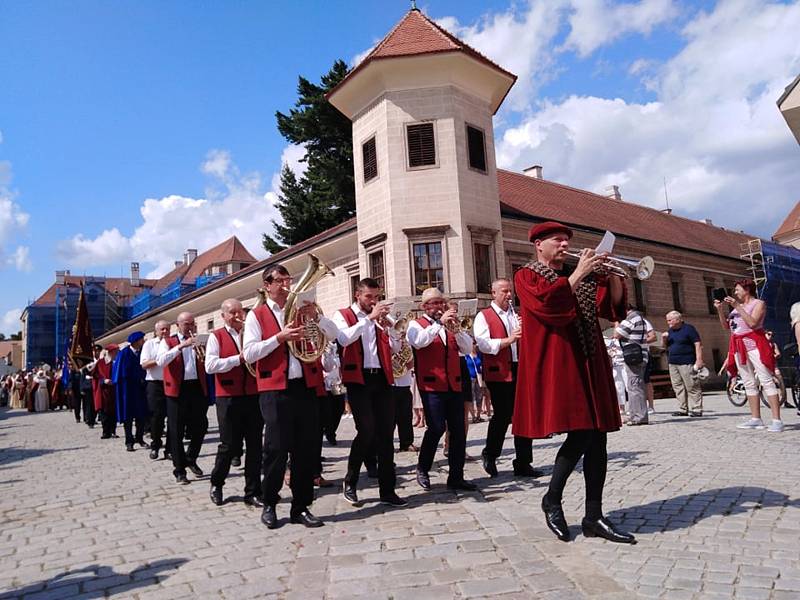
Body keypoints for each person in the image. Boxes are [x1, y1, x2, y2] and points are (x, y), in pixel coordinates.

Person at [514, 221, 635, 544]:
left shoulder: (575, 274)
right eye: (558, 240)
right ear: (539, 244)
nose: (565, 245)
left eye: (567, 240)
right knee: (581, 431)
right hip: (560, 361)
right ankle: (552, 498)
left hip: (590, 358)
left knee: (599, 436)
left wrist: (613, 276)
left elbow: (610, 309)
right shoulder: (526, 275)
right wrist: (580, 272)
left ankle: (594, 515)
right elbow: (549, 306)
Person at [242, 263, 326, 529]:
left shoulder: (301, 310)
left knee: (306, 450)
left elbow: (323, 339)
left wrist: (315, 320)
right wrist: (279, 337)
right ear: (267, 285)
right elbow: (250, 353)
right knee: (276, 451)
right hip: (275, 390)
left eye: (288, 279)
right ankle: (269, 503)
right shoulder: (257, 315)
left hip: (305, 386)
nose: (287, 284)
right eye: (281, 280)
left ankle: (300, 507)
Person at [328, 278, 406, 508]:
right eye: (369, 297)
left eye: (377, 297)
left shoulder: (380, 319)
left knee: (385, 432)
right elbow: (343, 338)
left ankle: (387, 490)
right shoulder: (343, 315)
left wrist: (392, 330)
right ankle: (350, 481)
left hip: (381, 377)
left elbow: (396, 349)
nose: (374, 301)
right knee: (366, 430)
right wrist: (368, 319)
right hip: (358, 379)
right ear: (357, 295)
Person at [407, 287, 477, 493]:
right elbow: (419, 342)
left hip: (453, 384)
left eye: (440, 302)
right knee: (436, 428)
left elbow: (466, 348)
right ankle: (422, 468)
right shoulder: (415, 325)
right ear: (424, 307)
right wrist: (438, 323)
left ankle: (457, 476)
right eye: (433, 303)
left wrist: (457, 329)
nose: (438, 306)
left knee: (457, 432)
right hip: (431, 385)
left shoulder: (450, 326)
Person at [473, 277, 538, 478]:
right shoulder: (483, 316)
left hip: (520, 368)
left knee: (524, 415)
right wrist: (509, 340)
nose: (509, 295)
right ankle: (490, 454)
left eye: (510, 291)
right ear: (493, 293)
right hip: (499, 371)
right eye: (504, 291)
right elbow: (483, 343)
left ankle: (523, 462)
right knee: (502, 415)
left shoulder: (515, 315)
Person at [204, 299, 264, 507]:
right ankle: (217, 483)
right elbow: (210, 366)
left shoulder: (252, 333)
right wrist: (237, 359)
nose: (238, 315)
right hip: (228, 397)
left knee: (256, 445)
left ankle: (253, 491)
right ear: (223, 316)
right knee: (228, 445)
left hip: (253, 395)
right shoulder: (216, 336)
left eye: (240, 311)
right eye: (232, 312)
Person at [715, 280, 782, 432]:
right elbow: (727, 326)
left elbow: (753, 323)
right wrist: (720, 310)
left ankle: (777, 420)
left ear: (747, 290)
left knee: (766, 380)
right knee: (748, 383)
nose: (735, 292)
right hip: (739, 347)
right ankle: (755, 418)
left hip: (754, 344)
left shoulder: (758, 304)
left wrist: (737, 307)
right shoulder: (735, 310)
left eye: (737, 289)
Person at [156, 312, 209, 484]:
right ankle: (179, 469)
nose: (190, 327)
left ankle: (191, 458)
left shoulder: (197, 339)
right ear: (178, 325)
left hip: (196, 387)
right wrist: (181, 346)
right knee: (176, 429)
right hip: (177, 390)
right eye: (187, 324)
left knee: (201, 426)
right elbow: (161, 361)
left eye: (192, 323)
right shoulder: (168, 341)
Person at [614, 306, 656, 426]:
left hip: (634, 357)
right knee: (635, 385)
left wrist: (618, 322)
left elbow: (617, 334)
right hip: (640, 356)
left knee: (634, 386)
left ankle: (639, 417)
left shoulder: (631, 318)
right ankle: (635, 415)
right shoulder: (639, 318)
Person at [662, 311, 704, 417]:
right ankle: (683, 408)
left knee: (691, 385)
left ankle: (696, 409)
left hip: (687, 361)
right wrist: (664, 339)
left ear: (678, 319)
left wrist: (699, 359)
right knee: (678, 387)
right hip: (673, 362)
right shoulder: (670, 331)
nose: (668, 322)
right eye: (667, 320)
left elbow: (698, 344)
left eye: (670, 320)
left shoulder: (689, 329)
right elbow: (664, 347)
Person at [113, 332, 149, 451]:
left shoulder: (143, 352)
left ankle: (139, 438)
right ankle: (129, 440)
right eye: (141, 340)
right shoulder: (124, 354)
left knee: (141, 415)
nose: (143, 341)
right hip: (127, 390)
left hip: (141, 389)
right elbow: (119, 373)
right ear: (136, 341)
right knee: (128, 416)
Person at [141, 321, 170, 460]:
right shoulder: (150, 344)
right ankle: (155, 445)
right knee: (156, 417)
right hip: (155, 384)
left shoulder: (173, 342)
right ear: (156, 331)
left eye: (167, 329)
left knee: (173, 417)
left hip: (171, 383)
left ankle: (170, 448)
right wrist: (160, 359)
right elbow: (144, 364)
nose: (165, 331)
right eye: (162, 329)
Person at [321, 341, 346, 446]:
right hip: (324, 382)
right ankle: (329, 432)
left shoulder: (339, 344)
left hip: (337, 381)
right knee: (327, 410)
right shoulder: (322, 343)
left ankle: (330, 431)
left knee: (339, 408)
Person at [93, 346, 119, 438]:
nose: (117, 354)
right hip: (103, 390)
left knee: (113, 411)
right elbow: (95, 375)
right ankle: (105, 431)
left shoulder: (116, 362)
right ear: (111, 352)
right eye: (116, 352)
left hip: (114, 389)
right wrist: (103, 380)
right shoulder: (100, 363)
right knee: (104, 411)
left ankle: (113, 431)